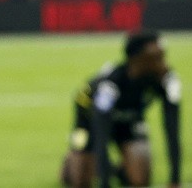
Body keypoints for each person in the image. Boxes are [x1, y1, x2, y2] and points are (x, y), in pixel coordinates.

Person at [60, 30, 181, 188]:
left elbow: (172, 130)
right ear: (138, 60)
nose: (164, 64)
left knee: (140, 179)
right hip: (91, 121)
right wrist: (104, 184)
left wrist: (175, 179)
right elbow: (101, 136)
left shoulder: (166, 81)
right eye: (157, 58)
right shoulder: (110, 85)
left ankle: (118, 169)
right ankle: (73, 161)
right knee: (81, 180)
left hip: (129, 121)